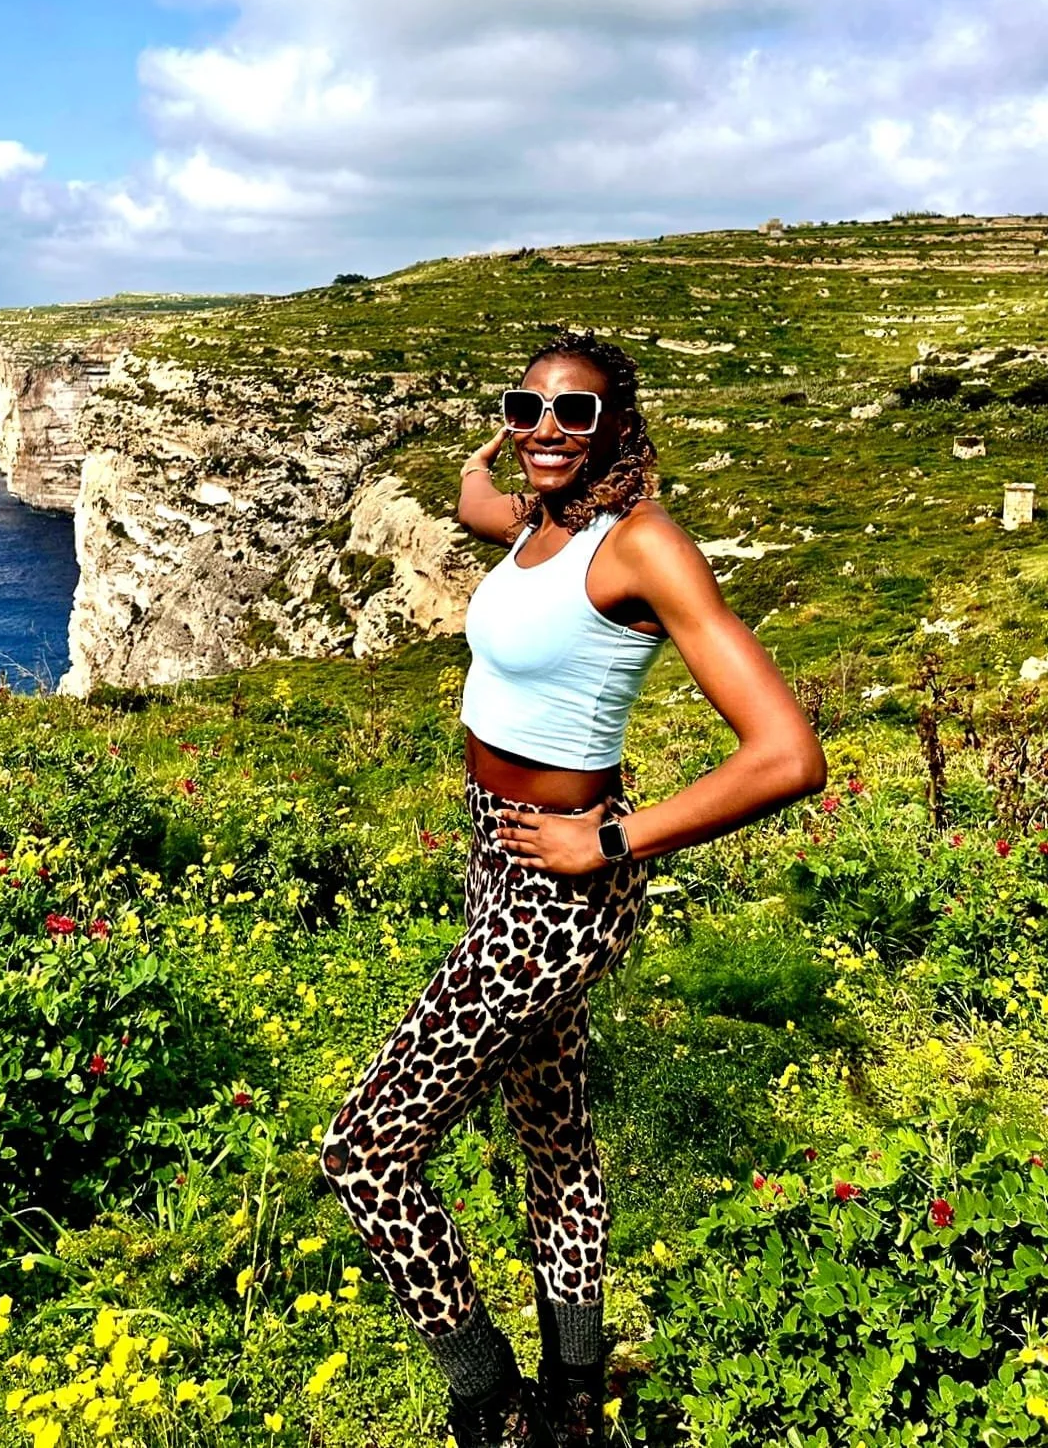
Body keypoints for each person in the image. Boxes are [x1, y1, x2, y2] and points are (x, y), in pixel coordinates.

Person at [321, 330, 826, 1448]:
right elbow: (483, 513)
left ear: (618, 424)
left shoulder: (642, 547)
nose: (548, 428)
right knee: (551, 1131)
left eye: (575, 412)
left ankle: (491, 1405)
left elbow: (787, 754)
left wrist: (611, 838)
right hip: (496, 855)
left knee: (365, 1148)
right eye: (527, 407)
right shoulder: (537, 525)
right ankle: (577, 1394)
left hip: (564, 888)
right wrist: (478, 469)